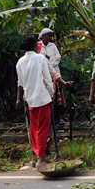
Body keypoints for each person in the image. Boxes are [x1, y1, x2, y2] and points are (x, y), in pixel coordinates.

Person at [17, 46, 73, 154]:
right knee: (33, 124)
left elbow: (53, 74)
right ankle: (37, 149)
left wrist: (64, 83)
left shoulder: (42, 59)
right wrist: (18, 98)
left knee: (46, 123)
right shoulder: (22, 62)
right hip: (30, 97)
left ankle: (48, 146)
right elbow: (20, 82)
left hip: (41, 96)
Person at [16, 36, 54, 166]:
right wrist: (51, 93)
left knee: (35, 128)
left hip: (30, 99)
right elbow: (48, 79)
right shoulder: (40, 58)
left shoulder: (20, 62)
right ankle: (41, 159)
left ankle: (38, 154)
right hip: (42, 98)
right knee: (43, 129)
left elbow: (21, 82)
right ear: (34, 46)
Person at [37, 28, 66, 124]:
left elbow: (58, 58)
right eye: (48, 35)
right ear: (43, 36)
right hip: (44, 76)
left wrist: (48, 59)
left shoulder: (52, 46)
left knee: (58, 97)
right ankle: (49, 117)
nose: (50, 37)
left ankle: (59, 117)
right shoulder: (38, 45)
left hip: (54, 74)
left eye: (51, 35)